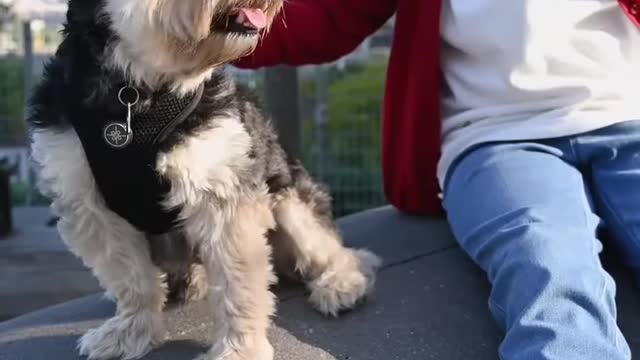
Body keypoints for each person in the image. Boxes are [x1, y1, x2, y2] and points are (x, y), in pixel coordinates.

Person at [233, 1, 640, 359]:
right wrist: (205, 23)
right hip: (496, 135)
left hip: (630, 112)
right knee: (550, 270)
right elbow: (330, 15)